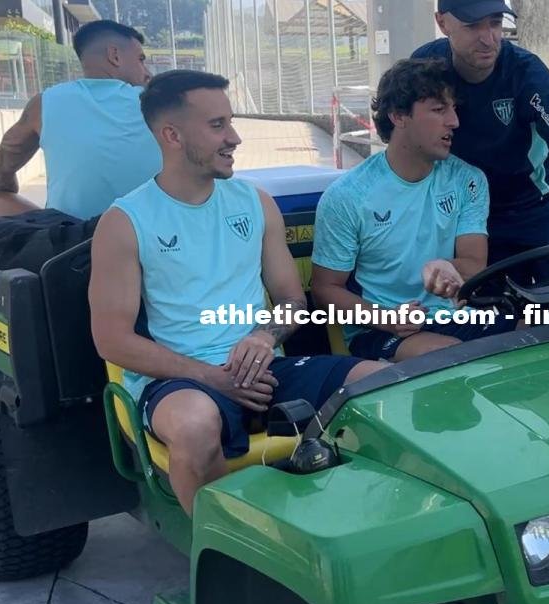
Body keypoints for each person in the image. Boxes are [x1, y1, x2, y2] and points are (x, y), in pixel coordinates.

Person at [88, 70, 384, 515]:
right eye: (217, 125)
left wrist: (264, 337)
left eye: (230, 122)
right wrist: (213, 377)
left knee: (383, 384)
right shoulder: (125, 222)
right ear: (171, 135)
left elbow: (292, 301)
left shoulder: (255, 203)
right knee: (194, 426)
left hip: (262, 369)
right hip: (181, 383)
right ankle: (221, 550)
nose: (234, 138)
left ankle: (360, 524)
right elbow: (112, 341)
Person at [311, 58, 516, 362]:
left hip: (457, 317)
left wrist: (447, 268)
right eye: (439, 109)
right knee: (448, 357)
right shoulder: (347, 195)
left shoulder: (468, 179)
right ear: (398, 116)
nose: (454, 122)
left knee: (545, 333)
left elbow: (474, 264)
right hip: (381, 328)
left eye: (454, 109)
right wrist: (386, 319)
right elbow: (325, 290)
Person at [411, 0, 549, 311]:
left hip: (543, 206)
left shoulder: (528, 75)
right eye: (472, 26)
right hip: (475, 212)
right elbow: (407, 143)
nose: (488, 38)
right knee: (486, 315)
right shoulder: (425, 68)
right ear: (442, 23)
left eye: (494, 23)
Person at [0, 19, 160, 219]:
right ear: (114, 55)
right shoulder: (160, 104)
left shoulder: (45, 103)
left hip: (70, 235)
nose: (147, 73)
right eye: (140, 60)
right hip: (148, 231)